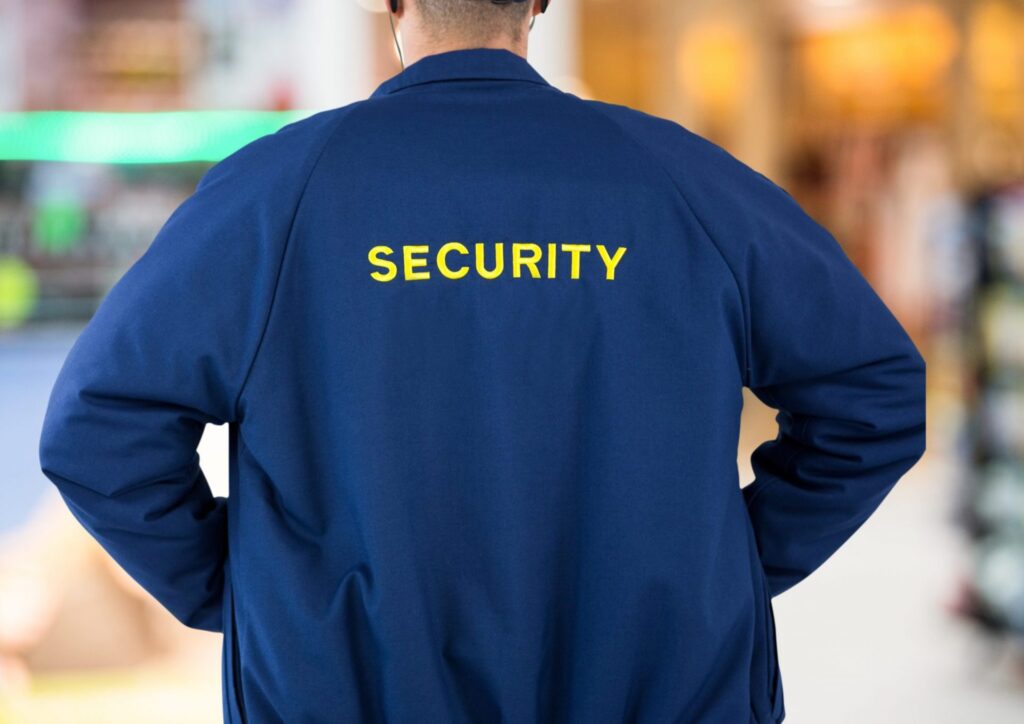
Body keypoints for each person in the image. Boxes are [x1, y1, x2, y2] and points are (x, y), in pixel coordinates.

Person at [37, 1, 927, 722]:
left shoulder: (279, 192)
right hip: (656, 680)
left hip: (349, 688)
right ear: (540, 4)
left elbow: (97, 430)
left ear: (391, 6)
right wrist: (726, 563)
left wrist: (243, 590)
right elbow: (873, 393)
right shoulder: (684, 183)